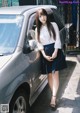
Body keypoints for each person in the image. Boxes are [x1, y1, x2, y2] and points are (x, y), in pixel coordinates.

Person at [35, 8, 67, 110]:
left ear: (46, 16)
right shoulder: (37, 30)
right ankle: (54, 94)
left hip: (55, 50)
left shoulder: (53, 25)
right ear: (38, 18)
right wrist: (44, 54)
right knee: (49, 74)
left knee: (55, 73)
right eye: (40, 16)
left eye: (44, 15)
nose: (42, 18)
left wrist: (56, 51)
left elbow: (57, 38)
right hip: (45, 53)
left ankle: (53, 97)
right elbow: (39, 44)